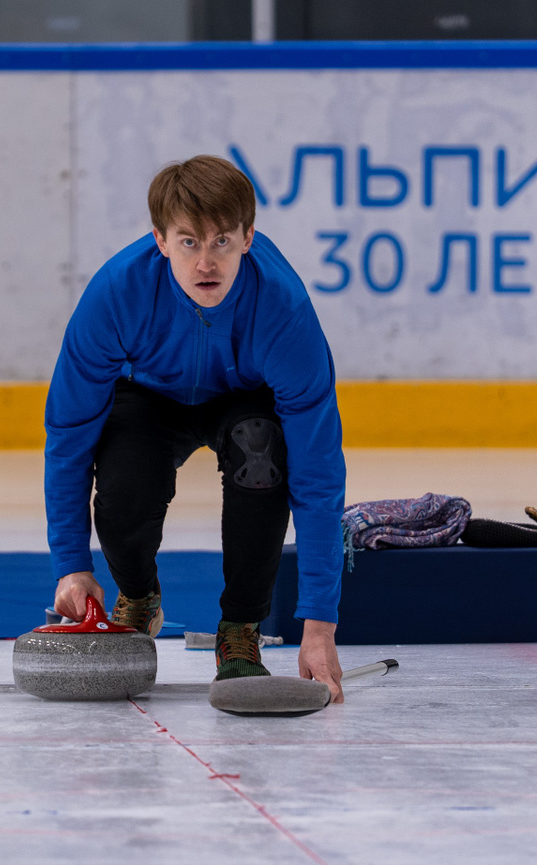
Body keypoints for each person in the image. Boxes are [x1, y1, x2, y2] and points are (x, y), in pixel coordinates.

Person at [44, 154, 348, 700]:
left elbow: (318, 474)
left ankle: (240, 629)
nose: (206, 262)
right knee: (124, 478)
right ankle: (138, 595)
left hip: (243, 398)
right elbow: (69, 438)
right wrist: (71, 565)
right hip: (147, 396)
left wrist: (320, 626)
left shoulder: (284, 312)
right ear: (160, 241)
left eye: (221, 241)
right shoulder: (116, 295)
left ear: (248, 238)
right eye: (188, 242)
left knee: (262, 451)